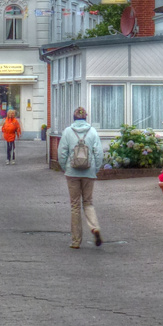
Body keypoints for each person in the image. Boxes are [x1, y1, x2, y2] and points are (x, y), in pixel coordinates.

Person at [57, 107, 104, 249]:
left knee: (75, 206)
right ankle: (95, 227)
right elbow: (99, 153)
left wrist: (66, 168)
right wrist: (94, 170)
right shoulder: (93, 132)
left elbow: (61, 153)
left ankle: (76, 241)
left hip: (72, 173)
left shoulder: (67, 132)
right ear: (86, 118)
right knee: (88, 202)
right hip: (89, 173)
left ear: (74, 117)